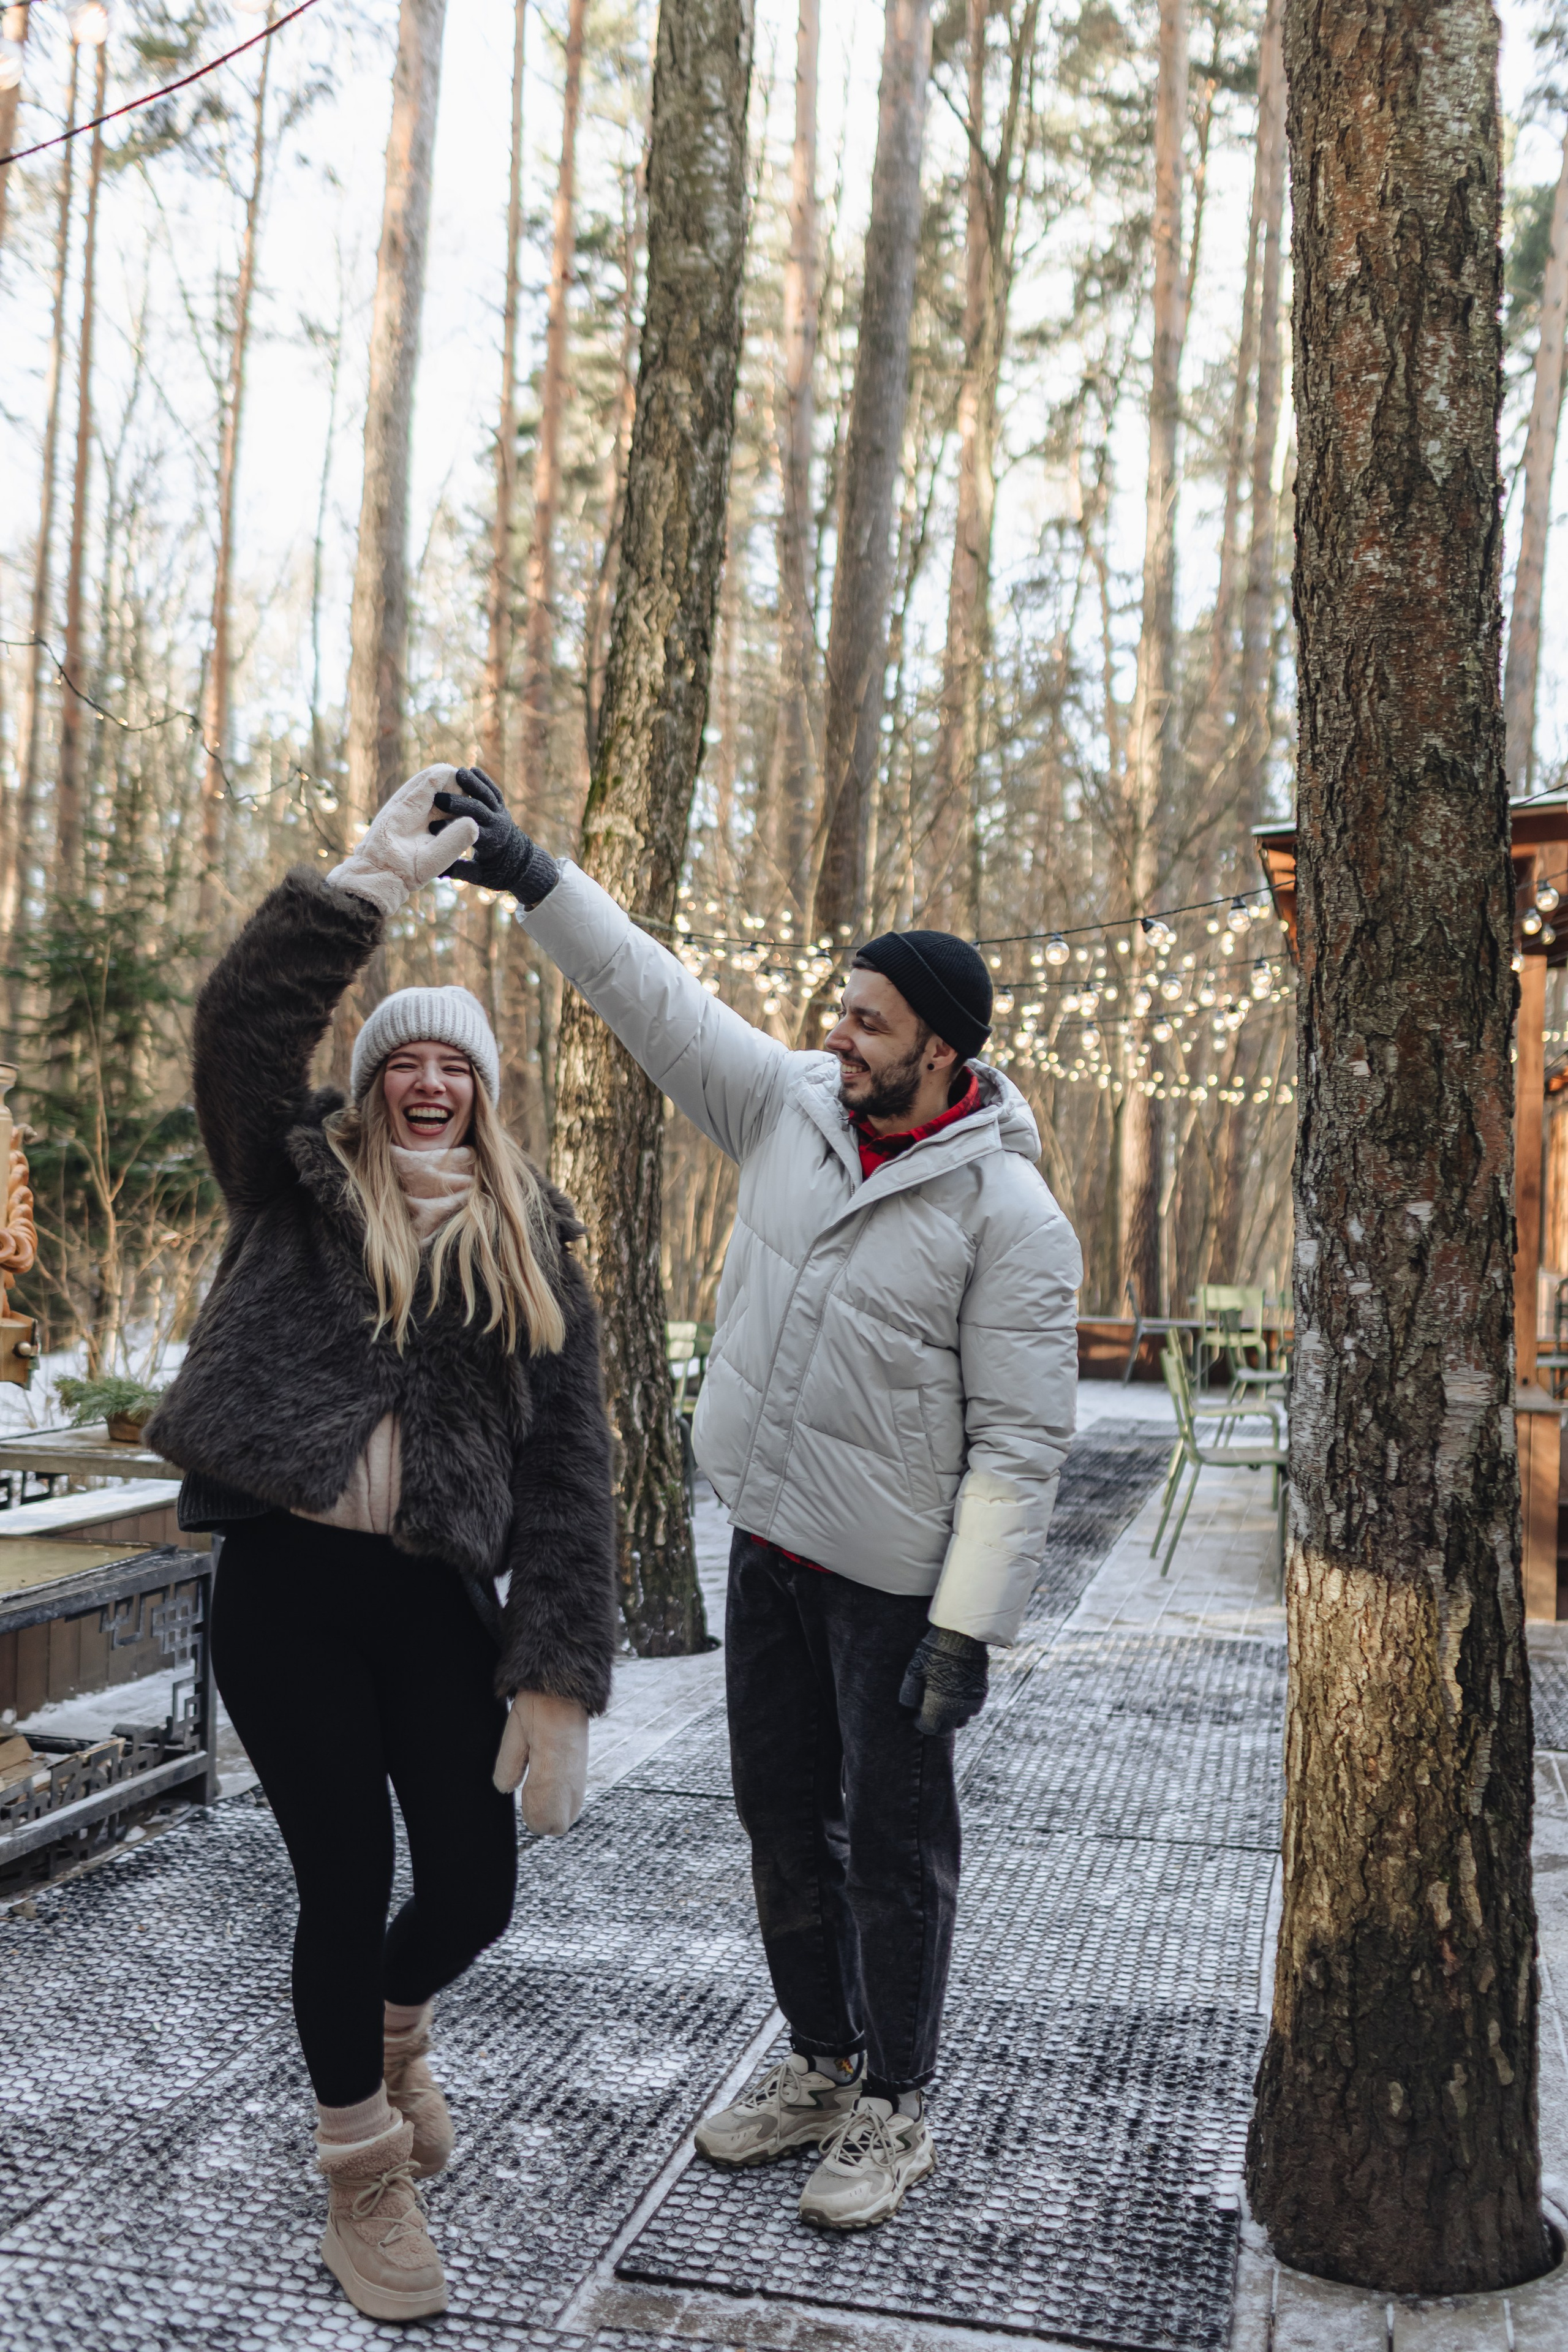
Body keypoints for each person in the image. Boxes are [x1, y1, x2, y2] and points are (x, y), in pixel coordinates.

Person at [433, 767, 1082, 2233]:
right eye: (838, 1013)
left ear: (939, 1049)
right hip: (772, 1548)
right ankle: (816, 2063)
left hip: (897, 1585)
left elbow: (1021, 1450)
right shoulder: (789, 1106)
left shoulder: (1007, 1219)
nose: (834, 1036)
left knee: (892, 1849)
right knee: (778, 1821)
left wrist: (965, 1632)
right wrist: (535, 877)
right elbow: (650, 996)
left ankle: (894, 2104)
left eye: (866, 1022)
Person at [146, 771, 618, 2323]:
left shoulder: (534, 1240)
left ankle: (394, 2024)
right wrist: (361, 883)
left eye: (453, 1068)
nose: (427, 1085)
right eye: (401, 1062)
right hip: (285, 1591)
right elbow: (239, 1028)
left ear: (483, 1095)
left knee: (473, 1888)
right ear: (370, 1086)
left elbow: (566, 1474)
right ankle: (361, 2170)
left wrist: (554, 1677)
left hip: (432, 1599)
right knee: (339, 1883)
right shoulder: (291, 1181)